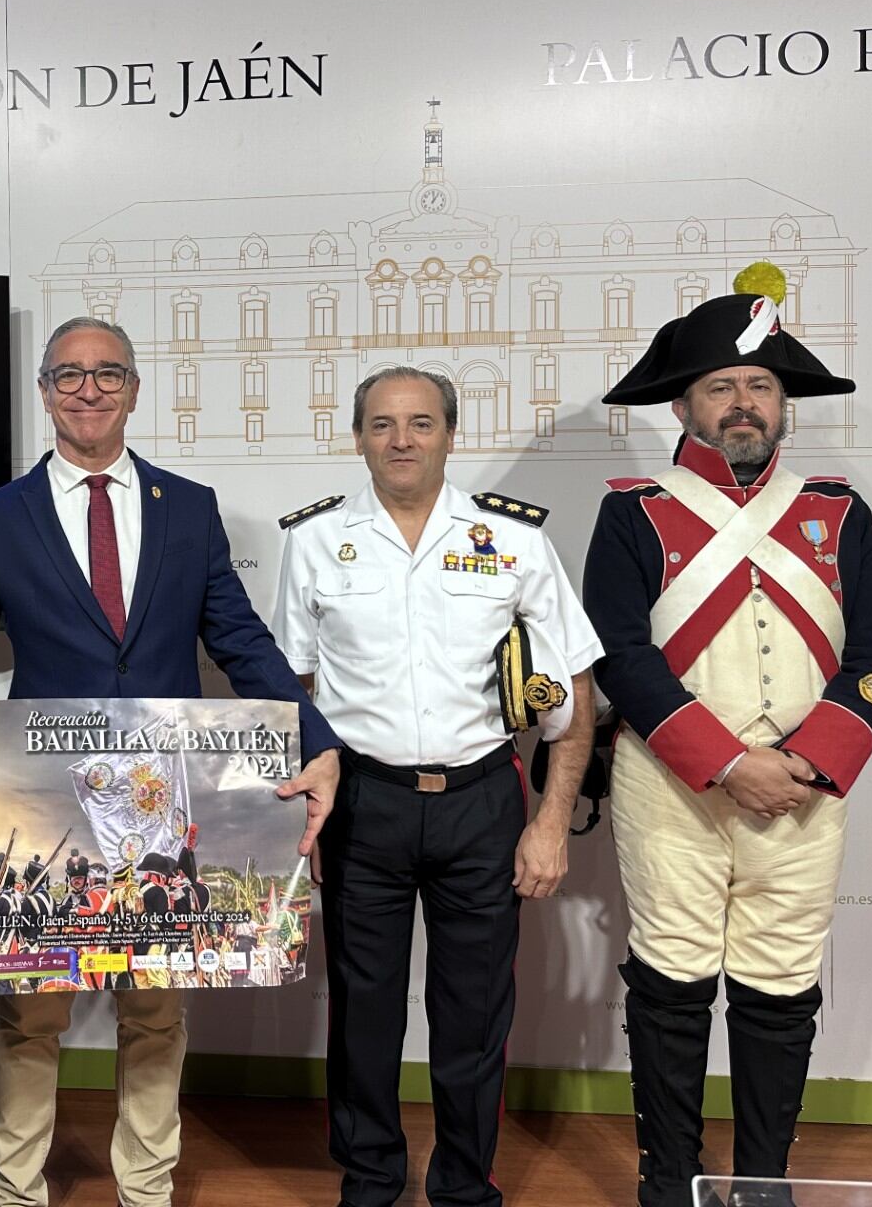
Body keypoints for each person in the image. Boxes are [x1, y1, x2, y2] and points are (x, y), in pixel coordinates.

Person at [0, 315, 338, 1207]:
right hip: (45, 804)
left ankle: (148, 1191)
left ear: (133, 389)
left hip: (164, 798)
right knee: (29, 1009)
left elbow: (241, 641)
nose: (88, 390)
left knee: (156, 1010)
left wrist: (316, 740)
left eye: (108, 374)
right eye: (69, 375)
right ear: (44, 390)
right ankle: (16, 1192)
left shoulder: (188, 508)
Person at [585, 264, 872, 1206]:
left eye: (760, 385)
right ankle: (670, 1182)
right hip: (670, 783)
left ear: (783, 403)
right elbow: (620, 653)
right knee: (672, 975)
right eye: (721, 386)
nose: (743, 403)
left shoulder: (835, 512)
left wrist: (809, 760)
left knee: (781, 976)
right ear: (682, 405)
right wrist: (726, 763)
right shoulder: (634, 513)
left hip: (806, 783)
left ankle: (763, 1182)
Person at [272, 365, 601, 1207]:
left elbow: (574, 687)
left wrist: (551, 822)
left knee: (474, 1015)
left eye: (421, 423)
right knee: (364, 1012)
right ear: (357, 438)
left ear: (451, 434)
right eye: (382, 424)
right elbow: (292, 691)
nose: (402, 440)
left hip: (482, 803)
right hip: (363, 804)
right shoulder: (314, 540)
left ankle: (463, 1186)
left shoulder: (513, 539)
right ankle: (371, 1179)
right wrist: (301, 818)